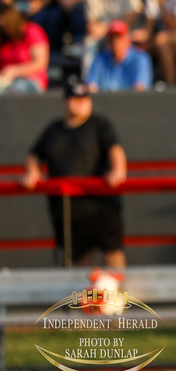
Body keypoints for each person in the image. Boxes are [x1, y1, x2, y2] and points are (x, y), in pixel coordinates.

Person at [23, 75, 127, 267]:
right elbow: (34, 154)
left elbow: (114, 148)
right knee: (81, 262)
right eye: (75, 99)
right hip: (68, 209)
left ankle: (117, 287)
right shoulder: (54, 130)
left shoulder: (99, 125)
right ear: (65, 101)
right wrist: (33, 171)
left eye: (83, 99)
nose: (80, 103)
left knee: (112, 254)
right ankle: (85, 288)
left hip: (100, 205)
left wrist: (118, 169)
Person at [85, 19, 153, 92]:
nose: (115, 43)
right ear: (108, 42)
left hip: (129, 99)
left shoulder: (140, 59)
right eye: (112, 39)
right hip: (105, 99)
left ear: (128, 40)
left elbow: (140, 88)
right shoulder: (100, 59)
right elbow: (91, 86)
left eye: (119, 38)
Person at [0, 3, 49, 94]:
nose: (3, 28)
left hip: (30, 80)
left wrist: (14, 71)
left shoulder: (32, 31)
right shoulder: (4, 39)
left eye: (4, 25)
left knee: (17, 88)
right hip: (5, 81)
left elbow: (40, 63)